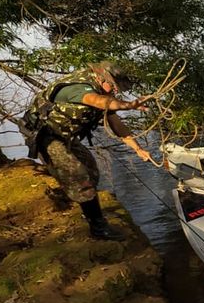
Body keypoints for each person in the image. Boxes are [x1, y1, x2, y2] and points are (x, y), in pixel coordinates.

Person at [22, 61, 151, 240]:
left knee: (91, 169)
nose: (115, 92)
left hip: (66, 136)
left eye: (118, 90)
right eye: (113, 87)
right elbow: (97, 101)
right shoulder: (78, 89)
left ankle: (88, 208)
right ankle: (98, 228)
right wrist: (128, 105)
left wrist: (138, 149)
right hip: (47, 136)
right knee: (79, 176)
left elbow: (116, 124)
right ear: (100, 77)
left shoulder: (103, 92)